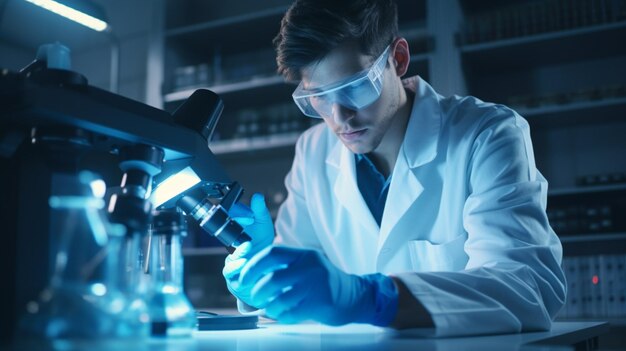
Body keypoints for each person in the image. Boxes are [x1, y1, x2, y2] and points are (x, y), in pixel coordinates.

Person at [222, 0, 566, 336]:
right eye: (319, 97)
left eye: (354, 87)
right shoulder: (313, 151)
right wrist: (260, 276)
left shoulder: (486, 134)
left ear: (398, 60)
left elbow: (526, 286)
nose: (339, 117)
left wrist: (372, 298)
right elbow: (300, 284)